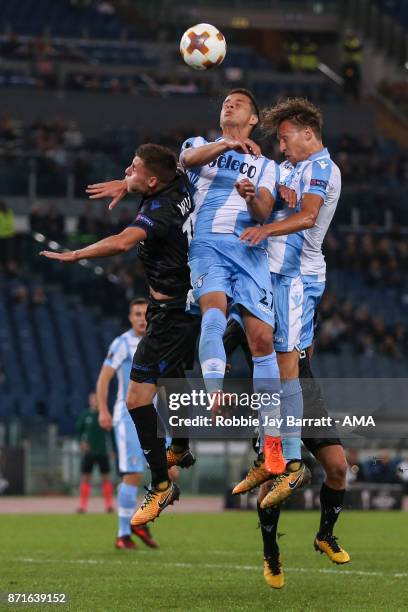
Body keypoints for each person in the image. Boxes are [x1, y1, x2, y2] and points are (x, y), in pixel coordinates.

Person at [40, 143, 199, 526]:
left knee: (135, 399)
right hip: (189, 304)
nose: (127, 169)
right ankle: (181, 447)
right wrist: (128, 184)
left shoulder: (159, 211)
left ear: (153, 179)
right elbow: (174, 168)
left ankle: (161, 484)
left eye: (133, 167)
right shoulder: (180, 186)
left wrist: (77, 255)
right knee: (174, 380)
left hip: (170, 313)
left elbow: (123, 242)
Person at [235, 97, 348, 585]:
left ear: (306, 131)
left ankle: (304, 491)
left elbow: (304, 217)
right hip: (277, 291)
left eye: (284, 137)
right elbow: (270, 194)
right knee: (277, 361)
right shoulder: (288, 166)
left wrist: (265, 226)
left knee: (337, 464)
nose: (280, 145)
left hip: (297, 280)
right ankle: (271, 551)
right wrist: (250, 193)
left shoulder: (322, 168)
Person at [180, 88, 301, 481]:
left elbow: (265, 209)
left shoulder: (267, 166)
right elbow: (186, 160)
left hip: (250, 250)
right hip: (209, 247)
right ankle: (214, 392)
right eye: (225, 103)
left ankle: (272, 448)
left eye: (239, 103)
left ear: (253, 119)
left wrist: (251, 197)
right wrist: (227, 143)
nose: (228, 105)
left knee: (262, 340)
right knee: (212, 311)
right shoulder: (202, 144)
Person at [96, 298, 158, 550]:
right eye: (137, 314)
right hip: (128, 416)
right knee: (132, 473)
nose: (142, 318)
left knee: (169, 470)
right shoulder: (122, 343)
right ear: (130, 317)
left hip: (154, 414)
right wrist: (103, 410)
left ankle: (139, 520)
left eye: (145, 314)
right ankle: (123, 533)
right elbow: (104, 379)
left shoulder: (159, 342)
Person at [76, 392, 114, 514]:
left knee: (106, 478)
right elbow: (78, 431)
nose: (94, 401)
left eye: (96, 399)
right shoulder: (85, 415)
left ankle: (108, 505)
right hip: (89, 452)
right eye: (92, 399)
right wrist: (81, 443)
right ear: (89, 400)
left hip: (102, 451)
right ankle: (83, 506)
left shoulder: (105, 415)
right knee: (86, 478)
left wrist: (113, 449)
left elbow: (112, 434)